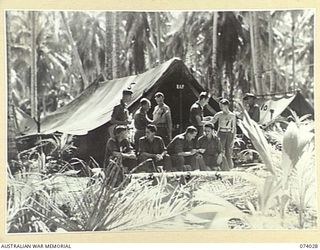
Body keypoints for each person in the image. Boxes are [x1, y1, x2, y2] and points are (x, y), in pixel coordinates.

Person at [211, 99, 237, 170]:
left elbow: (234, 127)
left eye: (221, 106)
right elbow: (212, 122)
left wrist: (233, 138)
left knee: (228, 151)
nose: (220, 107)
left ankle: (229, 167)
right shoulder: (219, 114)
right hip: (221, 133)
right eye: (220, 106)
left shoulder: (232, 115)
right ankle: (221, 166)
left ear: (226, 105)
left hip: (229, 133)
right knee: (220, 150)